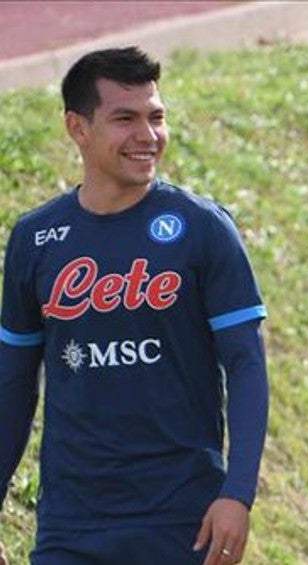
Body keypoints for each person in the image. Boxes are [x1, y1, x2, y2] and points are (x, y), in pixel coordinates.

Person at [0, 46, 269, 565]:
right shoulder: (36, 239)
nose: (148, 136)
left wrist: (238, 492)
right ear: (78, 128)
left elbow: (246, 364)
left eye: (156, 117)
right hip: (70, 523)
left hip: (182, 519)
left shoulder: (203, 229)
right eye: (126, 119)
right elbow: (13, 383)